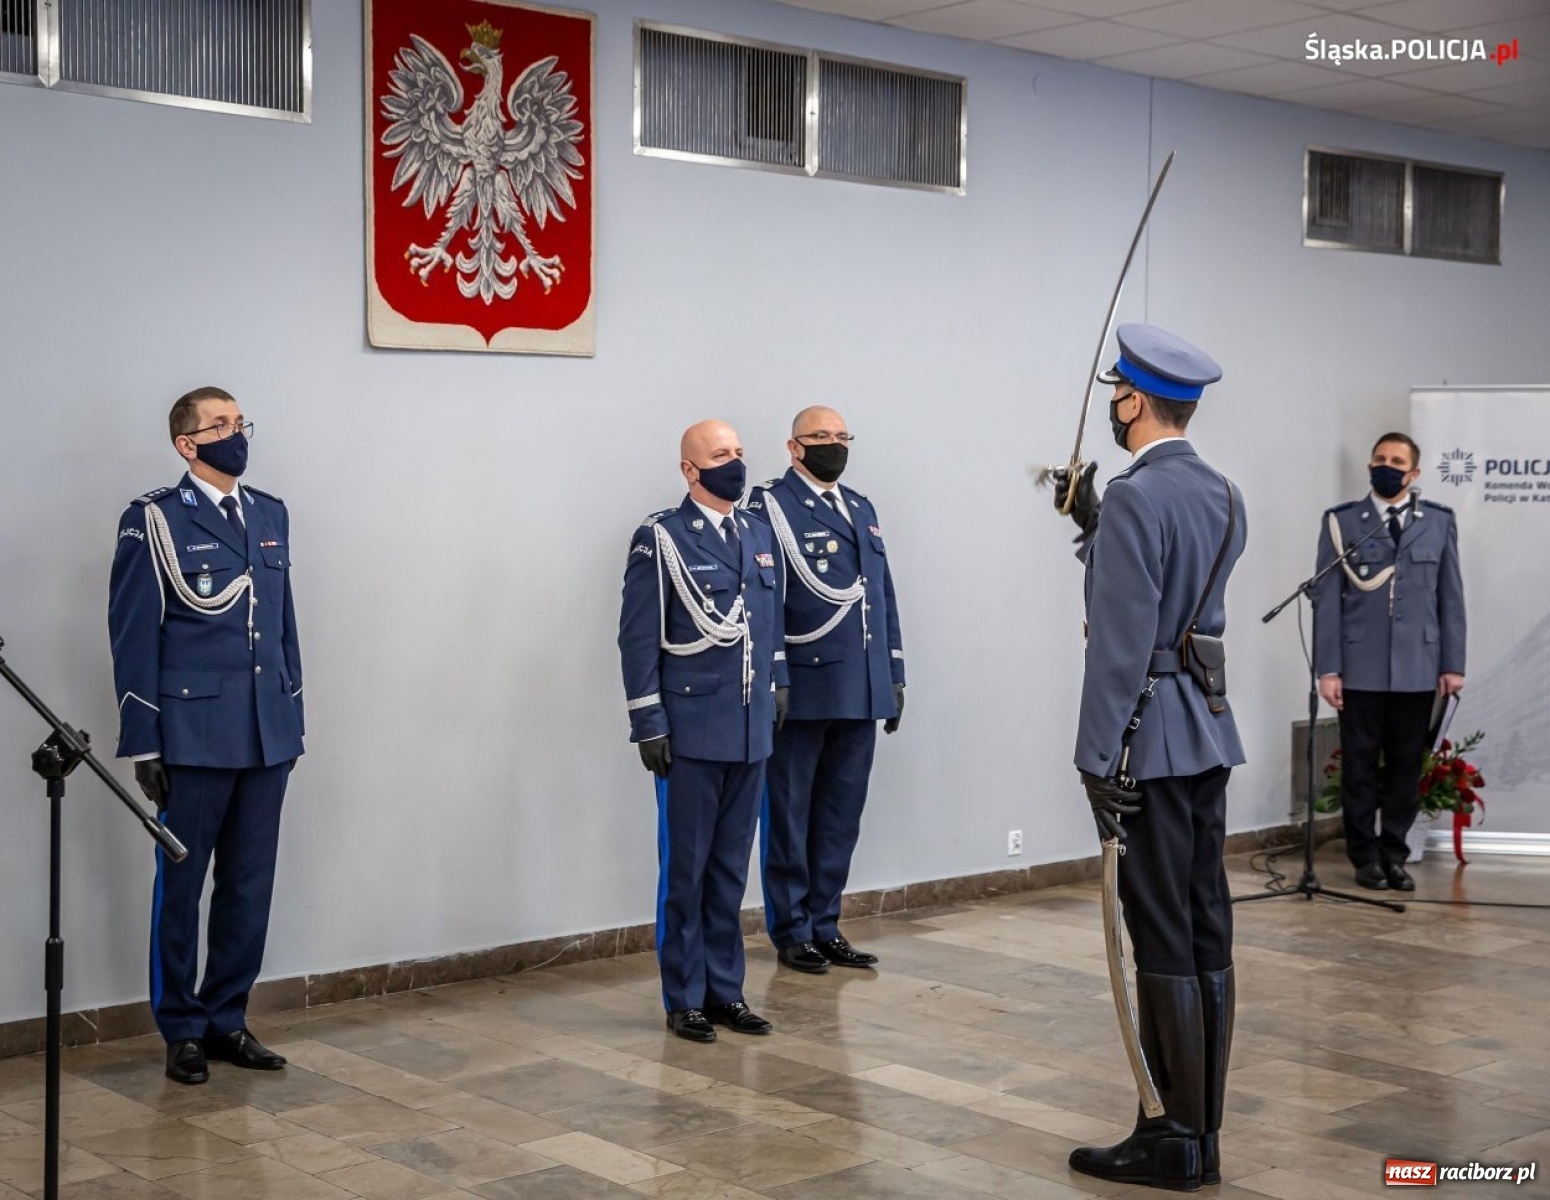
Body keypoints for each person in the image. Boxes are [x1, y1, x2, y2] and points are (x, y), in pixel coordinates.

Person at [1050, 323, 1245, 1192]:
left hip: (1147, 741)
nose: (1113, 406)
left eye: (1116, 395)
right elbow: (1175, 588)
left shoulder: (1135, 496)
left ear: (1133, 401)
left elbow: (1122, 643)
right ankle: (1201, 1135)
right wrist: (1094, 523)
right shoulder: (1225, 492)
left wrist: (1096, 758)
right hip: (1206, 729)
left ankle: (1172, 1138)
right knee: (1204, 927)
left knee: (1159, 929)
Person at [109, 386, 303, 1086]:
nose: (236, 432)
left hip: (264, 734)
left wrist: (291, 712)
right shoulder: (154, 520)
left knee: (249, 886)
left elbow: (283, 626)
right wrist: (144, 741)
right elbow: (134, 635)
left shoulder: (270, 513)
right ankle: (182, 1028)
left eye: (240, 420)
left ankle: (227, 1018)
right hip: (191, 735)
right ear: (186, 444)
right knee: (182, 886)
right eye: (220, 424)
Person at [618, 420, 786, 1043]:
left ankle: (726, 991)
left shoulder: (757, 532)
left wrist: (778, 683)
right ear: (690, 470)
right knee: (686, 873)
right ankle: (684, 996)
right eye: (720, 455)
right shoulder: (661, 538)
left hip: (749, 731)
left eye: (738, 452)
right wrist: (647, 721)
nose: (734, 463)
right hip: (690, 732)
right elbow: (638, 637)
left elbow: (768, 622)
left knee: (729, 872)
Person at [745, 406, 904, 974]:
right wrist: (775, 675)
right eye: (820, 437)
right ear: (794, 447)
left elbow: (881, 595)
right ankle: (792, 930)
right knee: (790, 815)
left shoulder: (860, 508)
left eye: (841, 437)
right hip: (805, 685)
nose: (833, 445)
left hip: (860, 685)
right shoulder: (770, 507)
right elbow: (762, 598)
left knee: (840, 814)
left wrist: (893, 672)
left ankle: (825, 922)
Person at [1313, 433, 1465, 892]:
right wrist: (1328, 669)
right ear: (1369, 465)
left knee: (1405, 768)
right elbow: (1328, 601)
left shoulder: (1437, 521)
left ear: (1413, 473)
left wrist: (1453, 664)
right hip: (1360, 668)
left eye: (1397, 461)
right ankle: (1365, 857)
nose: (1386, 466)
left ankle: (1395, 854)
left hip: (1418, 667)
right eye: (1380, 458)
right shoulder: (1342, 522)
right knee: (1359, 768)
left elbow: (1450, 598)